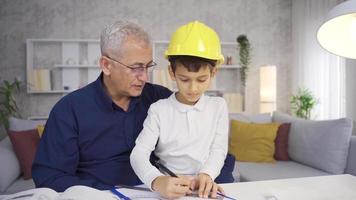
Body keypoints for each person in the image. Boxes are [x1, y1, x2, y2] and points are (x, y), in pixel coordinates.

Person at [31, 21, 173, 191]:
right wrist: (106, 193)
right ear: (106, 65)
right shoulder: (68, 110)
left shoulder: (160, 98)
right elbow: (49, 177)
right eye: (136, 68)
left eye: (148, 66)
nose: (144, 77)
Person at [130, 21, 229, 199]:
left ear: (213, 73)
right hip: (168, 189)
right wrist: (156, 180)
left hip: (204, 187)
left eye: (201, 79)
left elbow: (218, 149)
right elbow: (138, 155)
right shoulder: (159, 109)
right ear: (172, 73)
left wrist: (207, 174)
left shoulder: (218, 106)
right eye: (184, 79)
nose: (193, 89)